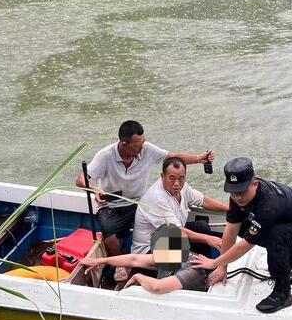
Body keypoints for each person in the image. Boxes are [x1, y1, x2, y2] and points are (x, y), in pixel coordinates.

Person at [191, 157, 292, 314]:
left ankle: (283, 293)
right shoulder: (237, 199)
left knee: (276, 234)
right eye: (233, 192)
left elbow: (245, 245)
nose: (238, 197)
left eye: (242, 192)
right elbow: (231, 229)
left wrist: (213, 262)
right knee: (244, 226)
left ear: (255, 184)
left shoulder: (269, 203)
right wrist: (222, 266)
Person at [76, 120, 214, 264]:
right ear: (124, 144)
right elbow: (81, 179)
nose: (142, 147)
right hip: (112, 204)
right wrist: (95, 191)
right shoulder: (105, 156)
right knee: (108, 231)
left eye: (143, 142)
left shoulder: (147, 149)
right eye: (137, 145)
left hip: (138, 201)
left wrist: (198, 159)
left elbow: (173, 157)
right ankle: (120, 265)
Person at [131, 157, 230, 257]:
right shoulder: (157, 198)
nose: (177, 184)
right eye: (172, 178)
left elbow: (203, 200)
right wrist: (207, 238)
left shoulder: (183, 187)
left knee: (202, 227)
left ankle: (204, 268)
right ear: (162, 176)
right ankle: (194, 266)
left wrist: (231, 209)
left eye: (181, 178)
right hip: (149, 249)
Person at [82, 224, 207, 294]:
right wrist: (102, 261)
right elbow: (134, 259)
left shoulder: (192, 270)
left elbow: (157, 287)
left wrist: (138, 277)